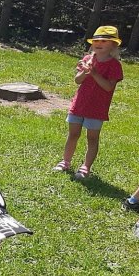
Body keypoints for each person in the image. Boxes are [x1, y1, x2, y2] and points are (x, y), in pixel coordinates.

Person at [52, 25, 123, 180]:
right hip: (79, 104)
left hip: (97, 108)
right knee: (73, 134)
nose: (99, 43)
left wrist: (94, 73)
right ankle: (65, 161)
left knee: (92, 138)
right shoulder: (87, 59)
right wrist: (84, 72)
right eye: (96, 40)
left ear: (113, 45)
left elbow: (108, 87)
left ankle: (86, 167)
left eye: (104, 41)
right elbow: (77, 80)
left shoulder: (114, 65)